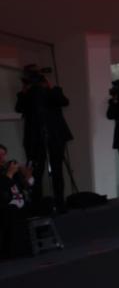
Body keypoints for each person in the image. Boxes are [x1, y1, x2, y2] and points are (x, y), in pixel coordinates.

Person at [15, 65, 73, 213]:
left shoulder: (52, 90)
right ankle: (37, 205)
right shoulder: (27, 93)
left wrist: (48, 85)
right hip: (35, 138)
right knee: (36, 171)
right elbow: (19, 108)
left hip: (54, 135)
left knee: (57, 170)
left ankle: (60, 203)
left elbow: (64, 101)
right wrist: (24, 90)